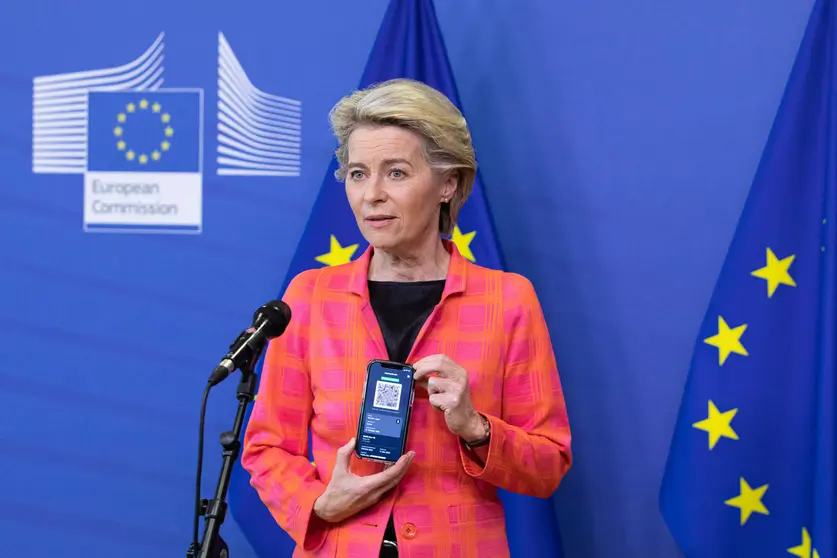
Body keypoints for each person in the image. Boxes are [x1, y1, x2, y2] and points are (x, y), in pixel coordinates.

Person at [241, 78, 572, 558]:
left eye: (395, 173)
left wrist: (476, 426)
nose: (371, 194)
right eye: (358, 174)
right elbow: (266, 447)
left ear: (448, 183)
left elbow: (549, 464)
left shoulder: (508, 300)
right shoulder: (310, 296)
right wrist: (319, 504)